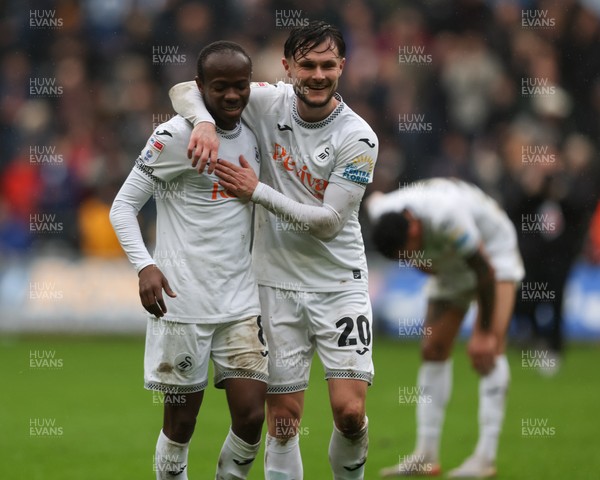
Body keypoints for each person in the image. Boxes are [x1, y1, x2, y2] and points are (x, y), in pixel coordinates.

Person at [169, 21, 378, 480]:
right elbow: (185, 88)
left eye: (328, 65)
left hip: (339, 284)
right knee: (283, 422)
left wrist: (257, 191)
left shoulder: (359, 138)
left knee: (348, 412)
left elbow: (328, 223)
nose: (318, 75)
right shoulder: (265, 102)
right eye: (307, 65)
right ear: (288, 68)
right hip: (274, 285)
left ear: (342, 66)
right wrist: (203, 122)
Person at [109, 41, 268, 480]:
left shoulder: (254, 127)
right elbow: (122, 208)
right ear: (201, 88)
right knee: (181, 426)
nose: (233, 96)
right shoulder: (172, 137)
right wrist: (144, 265)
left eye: (240, 86)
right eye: (220, 88)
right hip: (182, 304)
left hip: (240, 301)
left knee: (253, 418)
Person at [367, 178, 524, 479]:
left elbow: (483, 269)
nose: (409, 259)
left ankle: (485, 458)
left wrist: (483, 332)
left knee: (487, 351)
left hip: (493, 255)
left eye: (409, 251)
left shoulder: (447, 216)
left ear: (413, 226)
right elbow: (373, 198)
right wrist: (418, 261)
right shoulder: (382, 213)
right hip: (449, 260)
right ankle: (426, 455)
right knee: (432, 349)